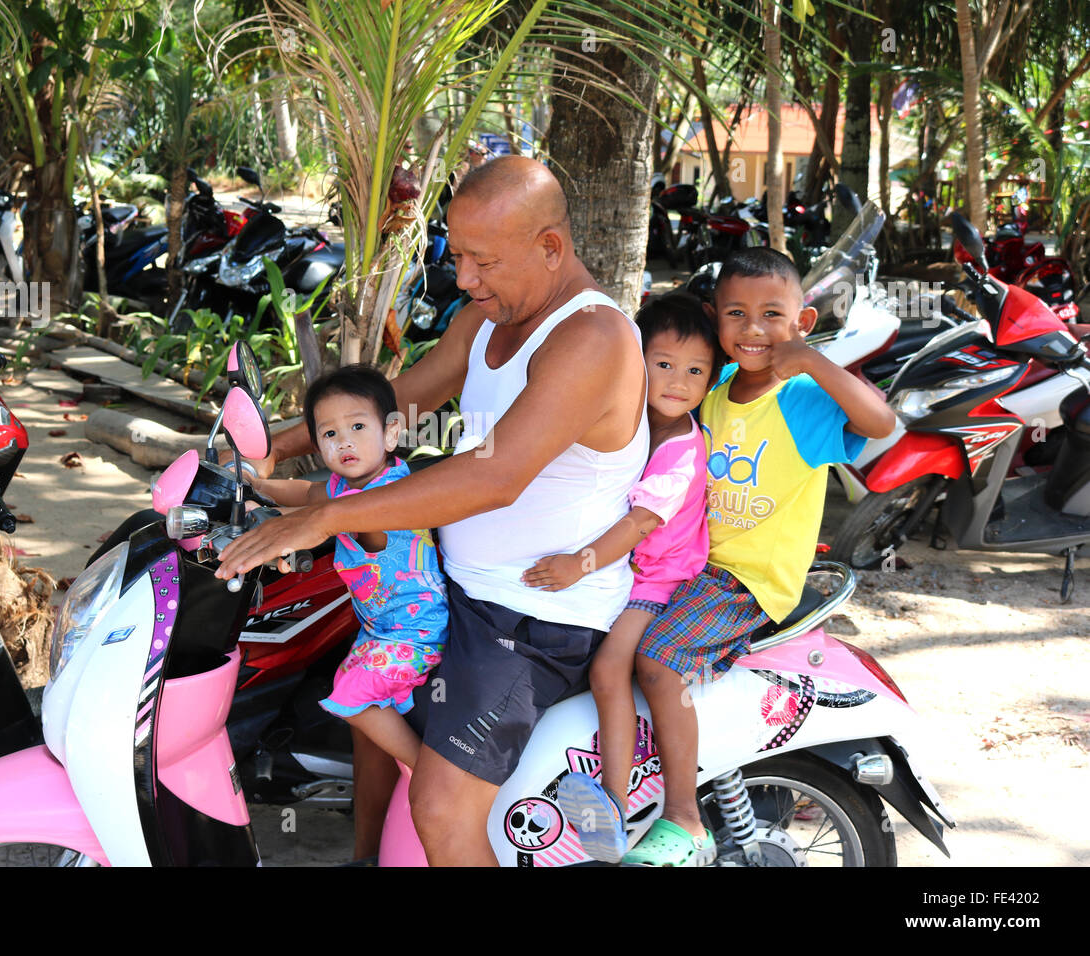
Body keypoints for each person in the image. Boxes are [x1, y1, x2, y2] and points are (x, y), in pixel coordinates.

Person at [214, 155, 649, 866]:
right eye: (460, 257)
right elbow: (407, 402)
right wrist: (261, 449)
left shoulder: (591, 338)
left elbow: (499, 474)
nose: (466, 280)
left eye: (483, 261)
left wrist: (328, 515)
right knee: (366, 688)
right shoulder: (488, 319)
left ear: (550, 248)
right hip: (454, 584)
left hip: (532, 617)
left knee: (442, 808)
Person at [575, 247, 895, 866]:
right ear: (715, 320)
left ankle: (685, 818)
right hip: (688, 565)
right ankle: (614, 795)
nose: (752, 329)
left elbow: (881, 423)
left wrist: (813, 360)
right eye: (736, 314)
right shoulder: (709, 384)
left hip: (746, 578)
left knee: (660, 661)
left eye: (772, 314)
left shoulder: (802, 400)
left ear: (802, 319)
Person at [520, 291, 722, 863]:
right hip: (624, 567)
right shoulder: (629, 421)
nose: (679, 382)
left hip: (655, 578)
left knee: (611, 668)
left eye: (695, 371)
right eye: (664, 365)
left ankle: (611, 802)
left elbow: (638, 525)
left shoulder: (681, 449)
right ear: (635, 361)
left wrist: (575, 564)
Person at [239, 365, 447, 769]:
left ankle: (426, 772)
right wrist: (257, 487)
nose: (344, 442)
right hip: (380, 628)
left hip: (415, 632)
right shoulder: (347, 486)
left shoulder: (384, 496)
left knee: (351, 698)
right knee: (344, 680)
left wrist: (276, 525)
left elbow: (327, 518)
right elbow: (308, 492)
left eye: (357, 427)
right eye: (330, 434)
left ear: (389, 432)